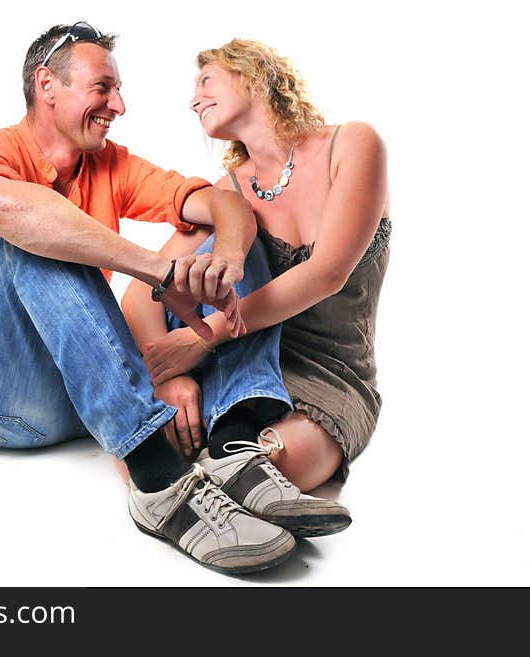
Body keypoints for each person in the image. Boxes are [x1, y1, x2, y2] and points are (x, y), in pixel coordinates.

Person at [0, 22, 343, 575]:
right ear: (47, 85)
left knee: (237, 237)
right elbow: (1, 208)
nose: (119, 105)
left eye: (118, 89)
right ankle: (158, 481)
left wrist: (223, 256)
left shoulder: (111, 162)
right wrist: (160, 272)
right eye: (103, 87)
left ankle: (234, 445)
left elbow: (224, 203)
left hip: (84, 398)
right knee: (38, 238)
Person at [121, 38, 390, 505]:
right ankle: (197, 460)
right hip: (242, 363)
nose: (194, 99)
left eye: (206, 80)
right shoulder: (229, 194)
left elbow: (327, 273)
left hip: (330, 370)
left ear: (252, 72)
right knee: (218, 247)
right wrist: (169, 375)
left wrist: (201, 338)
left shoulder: (353, 143)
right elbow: (140, 294)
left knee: (273, 469)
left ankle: (221, 470)